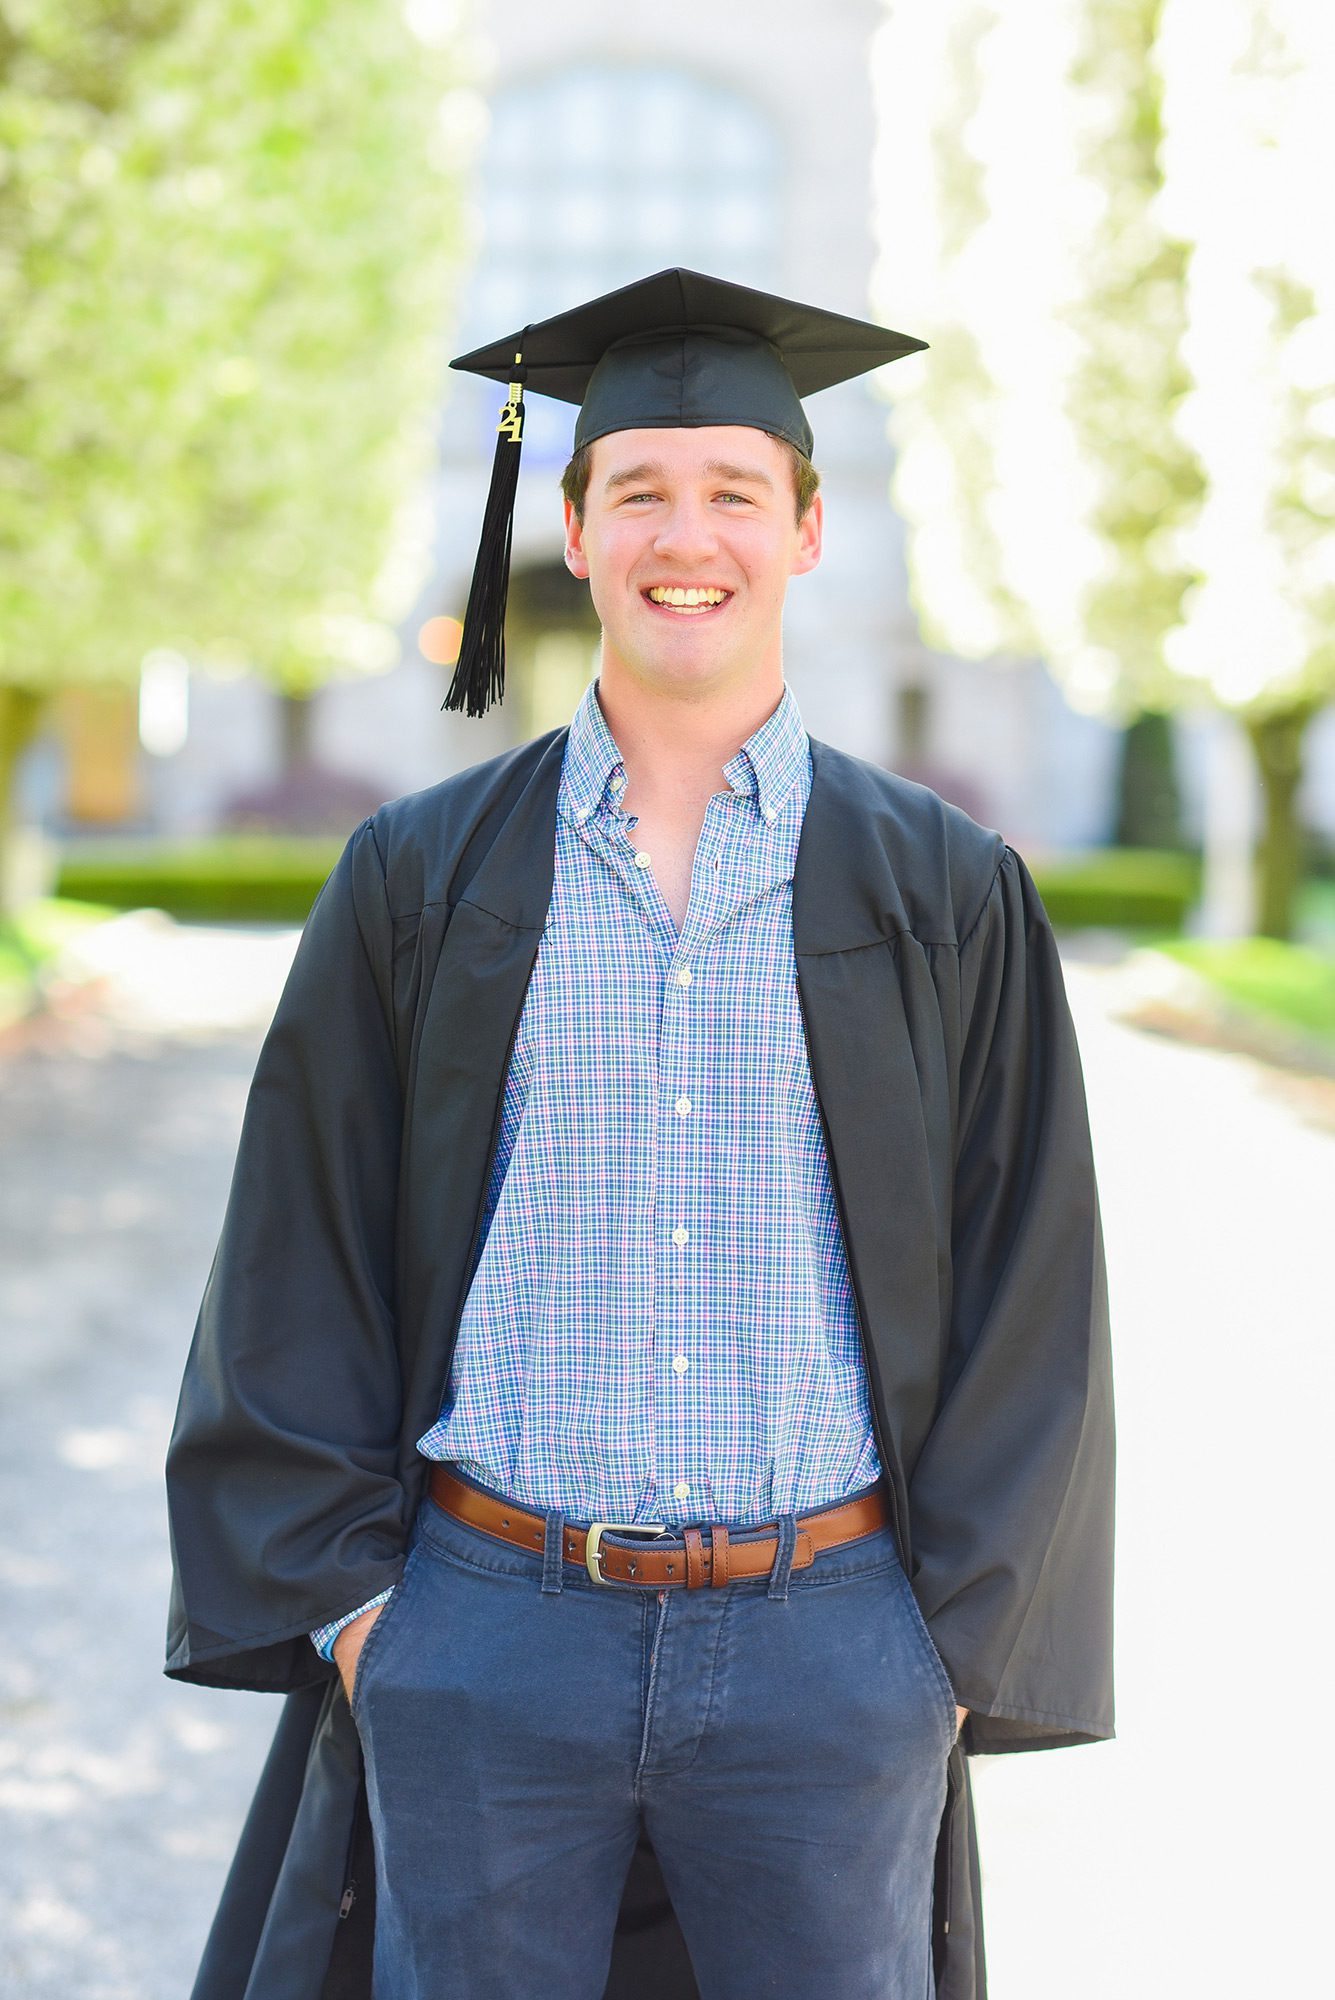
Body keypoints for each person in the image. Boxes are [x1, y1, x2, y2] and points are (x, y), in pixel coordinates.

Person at [164, 268, 1115, 2000]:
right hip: (482, 1634)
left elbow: (1029, 1283)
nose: (692, 535)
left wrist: (942, 1651)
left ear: (808, 529)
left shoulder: (946, 895)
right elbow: (291, 1249)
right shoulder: (422, 880)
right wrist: (372, 1621)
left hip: (830, 1645)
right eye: (644, 491)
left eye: (736, 491)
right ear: (582, 528)